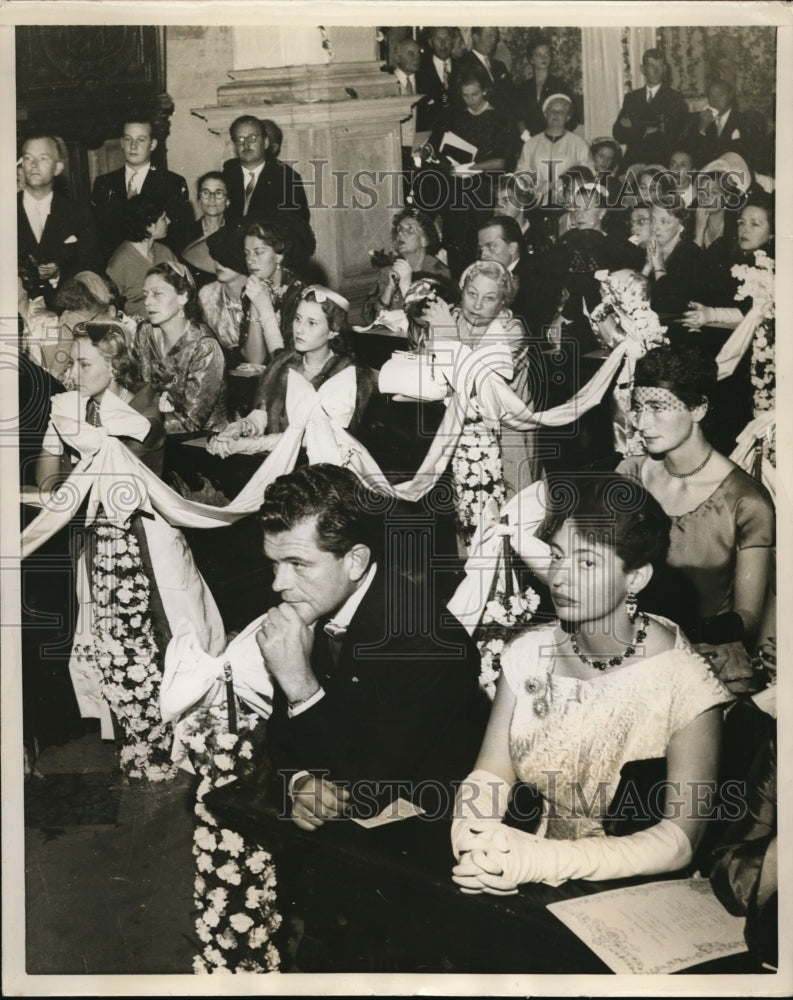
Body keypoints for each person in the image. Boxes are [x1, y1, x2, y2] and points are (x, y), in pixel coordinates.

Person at [451, 471, 731, 894]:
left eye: (586, 562)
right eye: (558, 555)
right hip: (532, 880)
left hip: (638, 896)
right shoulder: (529, 653)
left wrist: (537, 858)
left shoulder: (686, 681)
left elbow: (678, 841)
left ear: (635, 578)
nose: (560, 577)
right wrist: (473, 842)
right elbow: (490, 775)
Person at [254, 462, 488, 826]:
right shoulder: (314, 603)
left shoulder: (429, 644)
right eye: (274, 564)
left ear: (356, 561)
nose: (279, 584)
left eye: (298, 564)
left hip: (426, 830)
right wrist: (298, 782)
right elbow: (282, 737)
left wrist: (300, 685)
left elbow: (365, 787)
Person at [618, 344, 775, 693]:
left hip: (705, 667)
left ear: (699, 408)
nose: (642, 423)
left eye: (658, 408)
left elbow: (747, 620)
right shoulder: (629, 476)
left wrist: (669, 634)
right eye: (639, 408)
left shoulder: (745, 501)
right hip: (627, 655)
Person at [209, 285, 378, 458]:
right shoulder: (283, 364)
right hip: (280, 458)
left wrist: (254, 444)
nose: (299, 329)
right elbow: (264, 412)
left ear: (333, 331)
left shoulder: (347, 374)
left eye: (311, 323)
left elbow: (316, 438)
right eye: (298, 319)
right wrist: (241, 427)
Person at [133, 261, 228, 434]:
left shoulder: (204, 346)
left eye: (157, 294)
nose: (147, 302)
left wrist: (133, 424)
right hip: (151, 432)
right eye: (145, 294)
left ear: (183, 296)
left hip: (204, 442)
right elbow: (138, 389)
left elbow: (191, 422)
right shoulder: (144, 333)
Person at [17, 134, 103, 308]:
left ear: (58, 168)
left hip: (65, 310)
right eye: (28, 158)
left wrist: (59, 272)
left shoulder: (78, 213)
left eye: (43, 158)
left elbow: (92, 264)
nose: (34, 164)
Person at [89, 117, 190, 260]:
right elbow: (98, 234)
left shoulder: (172, 183)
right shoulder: (104, 184)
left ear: (153, 144)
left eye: (141, 140)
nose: (133, 146)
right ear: (122, 143)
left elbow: (178, 237)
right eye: (128, 139)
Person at [239, 215, 314, 364]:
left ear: (279, 256)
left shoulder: (300, 294)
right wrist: (255, 305)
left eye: (258, 252)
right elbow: (254, 360)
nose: (250, 260)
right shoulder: (252, 290)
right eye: (246, 253)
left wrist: (264, 307)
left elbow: (287, 363)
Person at [361, 208, 448, 325]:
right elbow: (369, 319)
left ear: (425, 240)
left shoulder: (437, 271)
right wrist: (390, 288)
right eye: (399, 229)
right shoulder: (388, 270)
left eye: (410, 229)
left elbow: (429, 322)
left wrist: (406, 286)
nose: (401, 233)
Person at [221, 114, 310, 225]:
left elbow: (298, 226)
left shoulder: (286, 178)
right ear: (235, 145)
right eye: (240, 139)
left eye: (252, 137)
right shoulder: (226, 176)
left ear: (266, 142)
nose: (246, 144)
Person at [612, 48, 688, 169]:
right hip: (633, 161)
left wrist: (634, 127)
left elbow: (675, 135)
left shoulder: (675, 99)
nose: (656, 70)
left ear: (665, 69)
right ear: (643, 69)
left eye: (660, 66)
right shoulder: (632, 98)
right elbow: (618, 133)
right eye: (651, 66)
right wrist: (648, 130)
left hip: (661, 162)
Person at [105, 196, 179, 318]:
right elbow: (109, 307)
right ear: (149, 226)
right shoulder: (119, 262)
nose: (169, 221)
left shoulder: (165, 252)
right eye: (163, 218)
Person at [515, 94, 593, 207]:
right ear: (546, 114)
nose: (556, 115)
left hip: (568, 204)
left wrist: (566, 184)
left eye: (561, 112)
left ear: (568, 117)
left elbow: (588, 173)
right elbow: (520, 174)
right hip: (537, 204)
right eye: (552, 111)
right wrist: (541, 185)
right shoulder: (531, 144)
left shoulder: (579, 144)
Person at [644, 200, 706, 322]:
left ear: (680, 225)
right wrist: (648, 265)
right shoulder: (651, 249)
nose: (654, 228)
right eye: (652, 220)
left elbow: (670, 306)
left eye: (663, 222)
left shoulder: (691, 254)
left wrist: (658, 265)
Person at [198, 223, 249, 363]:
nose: (218, 264)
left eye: (226, 258)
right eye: (215, 256)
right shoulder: (206, 295)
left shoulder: (261, 292)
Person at [513, 36, 577, 139]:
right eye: (538, 54)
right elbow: (517, 116)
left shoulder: (560, 86)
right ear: (531, 59)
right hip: (527, 141)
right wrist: (527, 138)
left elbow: (572, 117)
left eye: (547, 53)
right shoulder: (522, 88)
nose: (544, 57)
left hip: (554, 139)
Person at [682, 79, 753, 170]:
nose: (715, 100)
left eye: (720, 95)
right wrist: (702, 128)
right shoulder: (701, 119)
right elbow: (691, 154)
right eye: (712, 96)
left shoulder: (743, 120)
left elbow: (748, 155)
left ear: (730, 95)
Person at [180, 171, 230, 286]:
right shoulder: (184, 235)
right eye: (206, 193)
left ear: (227, 201)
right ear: (199, 199)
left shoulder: (237, 233)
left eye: (218, 193)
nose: (212, 198)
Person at [456, 27, 511, 108]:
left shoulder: (499, 65)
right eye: (489, 37)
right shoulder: (462, 64)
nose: (493, 41)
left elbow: (511, 94)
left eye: (495, 38)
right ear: (475, 38)